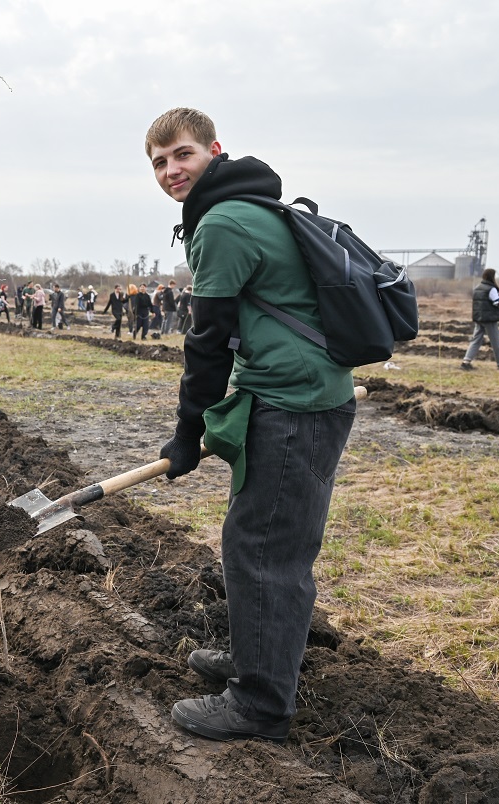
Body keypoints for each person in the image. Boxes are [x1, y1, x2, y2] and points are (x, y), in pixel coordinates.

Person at [146, 107, 355, 744]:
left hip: (295, 404)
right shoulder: (250, 207)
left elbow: (207, 342)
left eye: (182, 155)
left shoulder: (224, 222)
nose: (171, 171)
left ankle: (261, 703)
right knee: (254, 538)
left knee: (265, 549)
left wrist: (187, 435)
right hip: (294, 394)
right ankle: (254, 656)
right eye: (158, 163)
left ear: (214, 149)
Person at [460, 268, 499, 370]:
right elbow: (498, 304)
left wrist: (498, 295)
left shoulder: (478, 287)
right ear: (492, 276)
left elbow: (485, 300)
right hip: (489, 319)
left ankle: (466, 362)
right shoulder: (491, 289)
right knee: (496, 342)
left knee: (476, 340)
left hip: (479, 318)